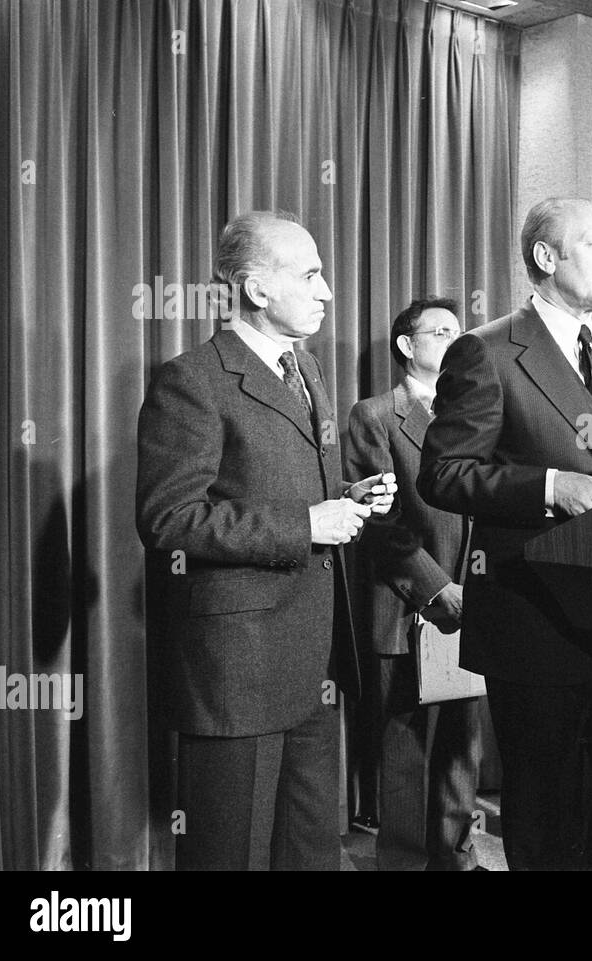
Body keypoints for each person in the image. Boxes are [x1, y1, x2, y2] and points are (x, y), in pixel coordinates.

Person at [136, 211, 395, 869]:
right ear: (254, 288)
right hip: (236, 671)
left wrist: (351, 499)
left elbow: (286, 488)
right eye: (309, 274)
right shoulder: (193, 379)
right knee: (229, 854)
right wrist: (307, 525)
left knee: (307, 852)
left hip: (312, 660)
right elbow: (168, 519)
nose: (327, 290)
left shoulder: (306, 369)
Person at [416, 197, 592, 870]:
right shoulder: (487, 350)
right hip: (535, 619)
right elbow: (443, 473)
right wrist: (548, 487)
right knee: (550, 805)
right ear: (547, 258)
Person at [346, 297, 483, 871]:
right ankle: (401, 862)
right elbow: (380, 523)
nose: (457, 340)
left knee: (461, 746)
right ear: (407, 345)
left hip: (475, 605)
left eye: (460, 331)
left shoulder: (476, 414)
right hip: (407, 609)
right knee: (405, 750)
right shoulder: (374, 415)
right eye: (441, 331)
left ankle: (458, 858)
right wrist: (436, 589)